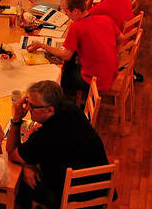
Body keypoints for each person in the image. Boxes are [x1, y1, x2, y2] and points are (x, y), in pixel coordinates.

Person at [7, 80, 109, 209]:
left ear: (49, 110)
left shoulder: (44, 137)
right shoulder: (71, 109)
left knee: (20, 182)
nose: (27, 109)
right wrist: (29, 160)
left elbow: (12, 153)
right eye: (27, 102)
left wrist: (16, 120)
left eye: (32, 106)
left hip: (75, 194)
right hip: (101, 183)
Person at [27, 0, 119, 94]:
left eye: (66, 12)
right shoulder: (105, 18)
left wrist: (42, 45)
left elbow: (66, 55)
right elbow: (121, 38)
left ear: (75, 11)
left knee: (61, 76)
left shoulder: (76, 27)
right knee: (72, 57)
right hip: (112, 73)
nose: (66, 15)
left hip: (95, 81)